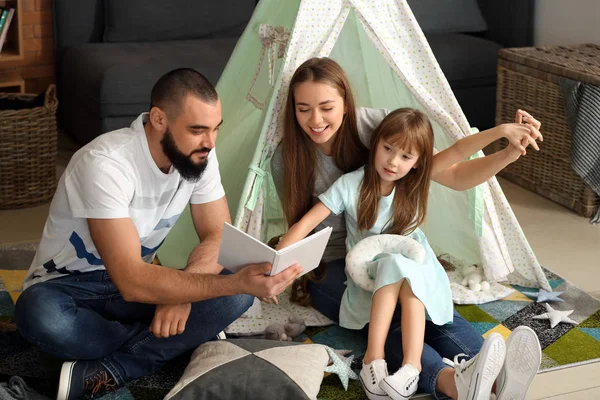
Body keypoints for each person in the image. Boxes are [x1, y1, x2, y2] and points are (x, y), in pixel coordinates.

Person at [15, 68, 302, 400]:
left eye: (214, 130)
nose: (209, 142)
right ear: (159, 119)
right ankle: (172, 342)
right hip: (70, 290)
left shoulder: (201, 155)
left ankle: (113, 369)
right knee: (41, 315)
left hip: (143, 289)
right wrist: (207, 290)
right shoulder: (105, 164)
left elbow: (217, 236)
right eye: (197, 130)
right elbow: (131, 279)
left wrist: (181, 295)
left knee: (238, 294)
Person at [270, 58, 543, 400]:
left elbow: (453, 170)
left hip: (397, 255)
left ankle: (494, 381)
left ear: (346, 103)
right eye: (303, 109)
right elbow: (303, 225)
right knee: (389, 316)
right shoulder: (290, 160)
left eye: (326, 107)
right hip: (337, 266)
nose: (316, 120)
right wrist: (276, 265)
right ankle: (452, 384)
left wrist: (507, 150)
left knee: (428, 305)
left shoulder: (381, 129)